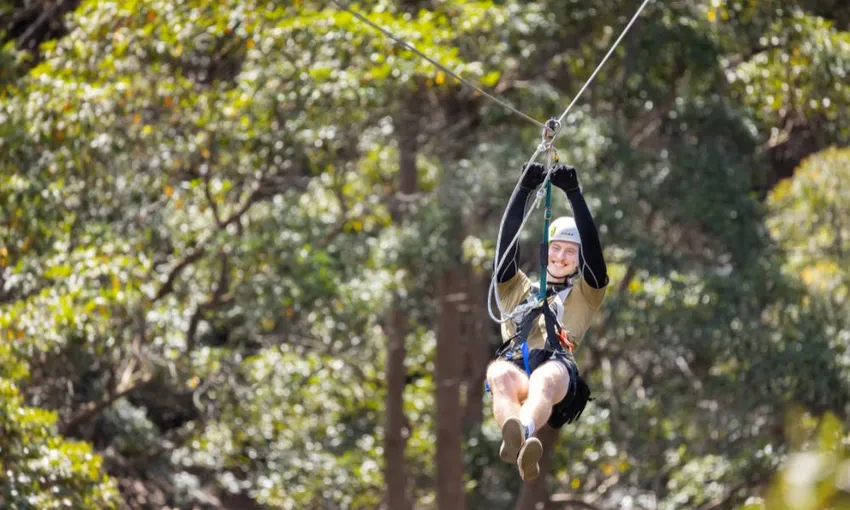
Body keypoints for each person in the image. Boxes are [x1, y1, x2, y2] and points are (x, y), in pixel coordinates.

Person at [487, 162, 609, 481]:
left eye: (571, 252)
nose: (561, 256)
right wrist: (523, 190)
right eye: (556, 248)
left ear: (578, 261)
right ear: (545, 252)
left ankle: (524, 431)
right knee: (498, 373)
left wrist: (574, 193)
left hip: (556, 367)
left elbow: (596, 261)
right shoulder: (515, 289)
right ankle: (516, 437)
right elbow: (505, 249)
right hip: (516, 363)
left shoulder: (585, 294)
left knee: (544, 378)